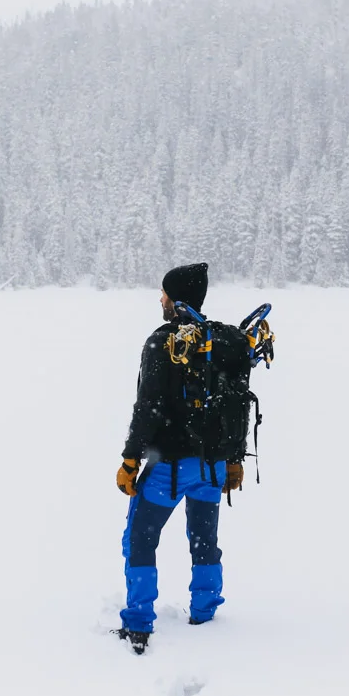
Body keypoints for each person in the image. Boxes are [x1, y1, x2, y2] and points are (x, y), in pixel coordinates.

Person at [114, 262, 244, 654]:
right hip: (212, 466)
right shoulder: (230, 341)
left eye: (165, 293)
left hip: (168, 469)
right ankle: (204, 612)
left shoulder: (160, 343)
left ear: (177, 299)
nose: (160, 299)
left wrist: (130, 460)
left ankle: (138, 625)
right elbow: (238, 406)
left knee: (140, 538)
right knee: (204, 539)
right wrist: (234, 460)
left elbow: (147, 407)